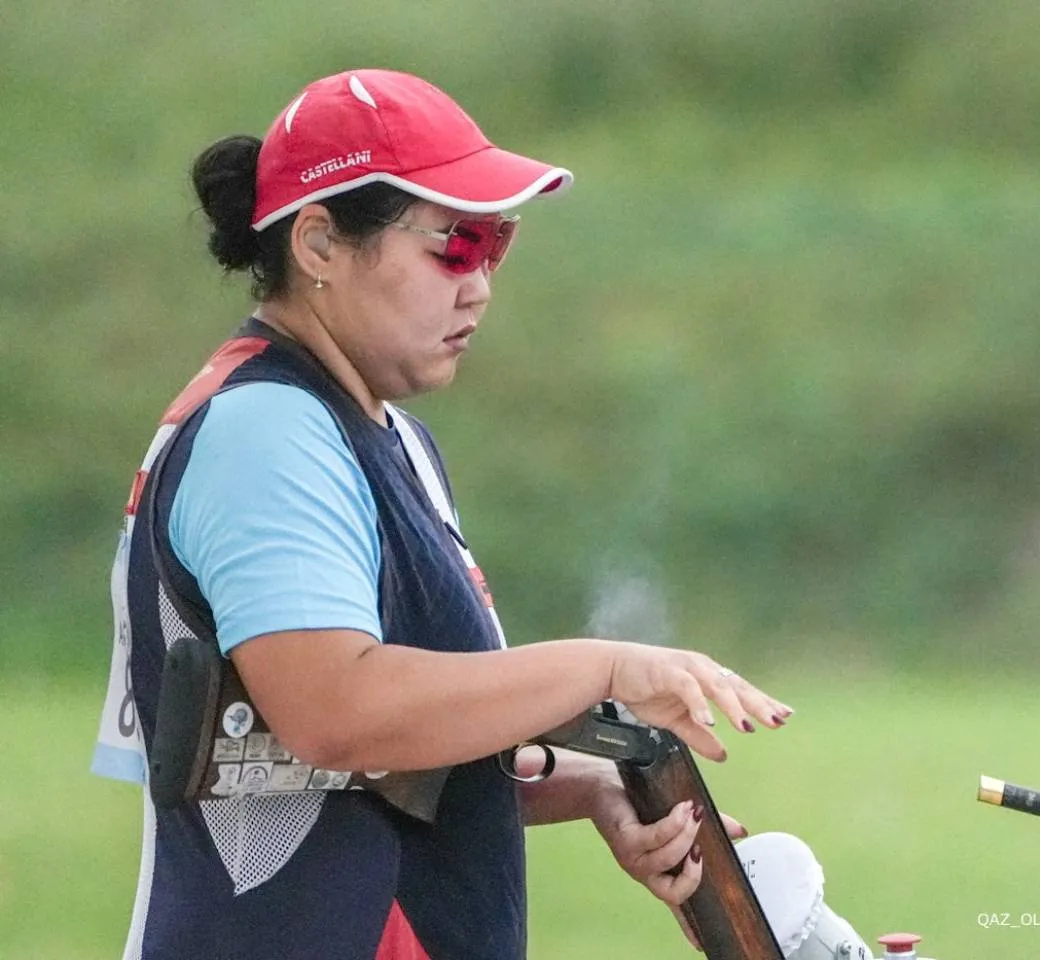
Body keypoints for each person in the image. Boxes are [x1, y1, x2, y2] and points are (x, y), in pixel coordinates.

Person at [90, 68, 791, 960]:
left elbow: (357, 761)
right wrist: (603, 667)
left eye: (497, 244)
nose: (481, 283)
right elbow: (337, 711)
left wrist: (592, 787)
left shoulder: (384, 436)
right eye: (453, 247)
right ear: (317, 244)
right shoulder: (267, 430)